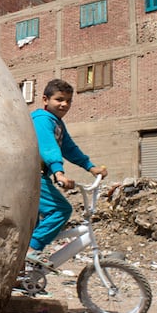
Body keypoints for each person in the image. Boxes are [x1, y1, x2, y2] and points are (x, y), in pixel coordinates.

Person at [28, 79, 108, 261]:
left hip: (37, 176)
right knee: (60, 210)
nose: (65, 104)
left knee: (33, 224)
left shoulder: (56, 123)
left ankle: (23, 274)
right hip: (30, 177)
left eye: (69, 100)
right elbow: (48, 147)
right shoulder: (41, 119)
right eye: (59, 99)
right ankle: (31, 251)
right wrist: (59, 173)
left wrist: (91, 167)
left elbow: (69, 148)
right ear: (45, 100)